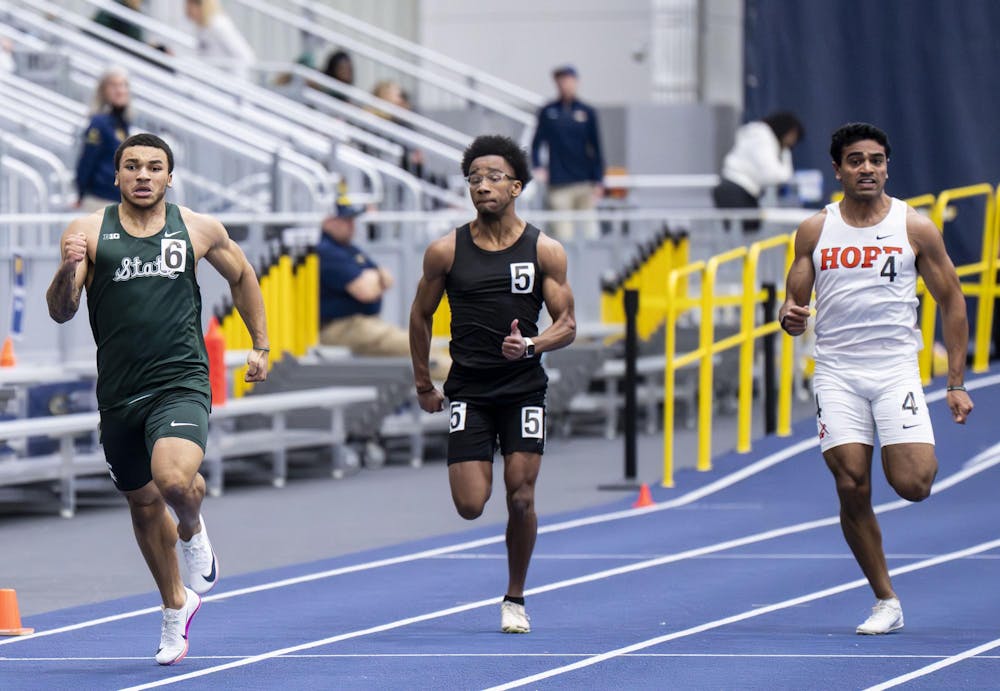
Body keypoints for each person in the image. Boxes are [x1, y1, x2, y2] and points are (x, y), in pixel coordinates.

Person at [46, 132, 270, 664]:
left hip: (181, 381)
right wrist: (66, 270)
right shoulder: (86, 233)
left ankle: (193, 530)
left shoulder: (197, 228)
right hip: (120, 391)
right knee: (145, 505)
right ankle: (176, 605)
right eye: (132, 167)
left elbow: (243, 276)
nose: (143, 175)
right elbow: (60, 309)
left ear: (170, 177)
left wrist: (260, 343)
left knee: (172, 480)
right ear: (117, 176)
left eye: (153, 167)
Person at [779, 122, 974, 635]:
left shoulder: (914, 227)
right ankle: (885, 599)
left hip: (894, 371)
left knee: (913, 484)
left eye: (877, 160)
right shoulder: (815, 230)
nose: (868, 168)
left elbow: (952, 299)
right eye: (857, 160)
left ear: (887, 166)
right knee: (851, 483)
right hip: (837, 372)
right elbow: (792, 301)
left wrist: (955, 381)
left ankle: (903, 449)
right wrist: (790, 316)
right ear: (838, 169)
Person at [409, 135, 577, 633]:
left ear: (517, 186)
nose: (482, 185)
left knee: (521, 496)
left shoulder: (544, 250)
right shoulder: (446, 251)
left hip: (524, 388)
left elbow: (567, 324)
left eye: (494, 177)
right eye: (474, 178)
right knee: (469, 505)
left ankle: (515, 598)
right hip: (470, 391)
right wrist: (424, 383)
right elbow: (420, 317)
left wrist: (530, 346)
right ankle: (510, 587)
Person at [318, 196, 450, 380]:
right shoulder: (326, 251)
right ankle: (472, 387)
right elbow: (366, 291)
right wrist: (375, 278)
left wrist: (375, 278)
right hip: (341, 328)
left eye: (351, 220)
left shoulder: (347, 248)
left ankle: (472, 387)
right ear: (328, 220)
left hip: (361, 325)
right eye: (345, 220)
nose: (351, 225)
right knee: (421, 347)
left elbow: (388, 278)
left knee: (431, 345)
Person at [530, 65, 605, 241]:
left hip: (583, 182)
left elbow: (596, 148)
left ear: (576, 82)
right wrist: (538, 167)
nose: (565, 85)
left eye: (568, 80)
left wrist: (599, 180)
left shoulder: (587, 112)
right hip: (559, 184)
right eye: (561, 81)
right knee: (563, 236)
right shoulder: (548, 112)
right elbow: (536, 143)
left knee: (590, 234)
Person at [713, 111, 804, 231]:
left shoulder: (758, 135)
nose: (792, 141)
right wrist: (786, 153)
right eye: (793, 135)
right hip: (736, 191)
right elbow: (773, 175)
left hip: (737, 190)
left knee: (748, 231)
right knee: (740, 236)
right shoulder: (762, 137)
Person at [76, 66, 132, 213]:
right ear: (103, 90)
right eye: (114, 85)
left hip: (120, 199)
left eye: (123, 85)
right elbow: (87, 160)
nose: (120, 90)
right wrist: (81, 192)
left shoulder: (122, 123)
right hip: (100, 199)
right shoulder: (99, 123)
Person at [184, 0, 255, 81]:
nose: (187, 9)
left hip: (227, 84)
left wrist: (233, 81)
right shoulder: (202, 28)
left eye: (189, 5)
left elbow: (246, 56)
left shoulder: (218, 26)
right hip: (213, 80)